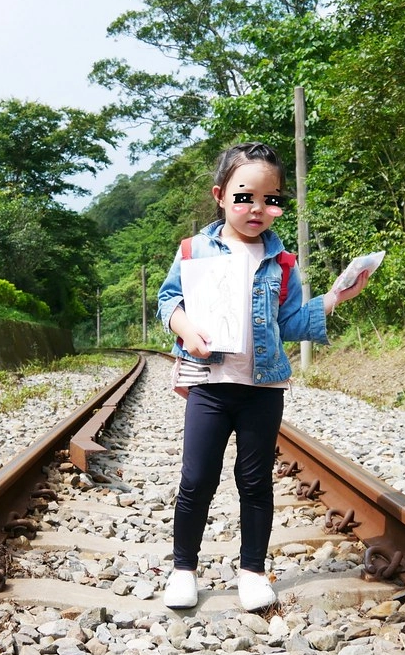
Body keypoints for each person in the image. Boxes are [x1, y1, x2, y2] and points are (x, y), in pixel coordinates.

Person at [156, 141, 370, 611]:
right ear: (220, 194)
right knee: (197, 480)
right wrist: (187, 330)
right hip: (210, 384)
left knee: (255, 482)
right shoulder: (195, 250)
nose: (257, 208)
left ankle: (252, 571)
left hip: (263, 387)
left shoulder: (283, 261)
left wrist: (336, 297)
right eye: (244, 195)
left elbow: (290, 322)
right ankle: (183, 569)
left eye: (270, 198)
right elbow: (168, 300)